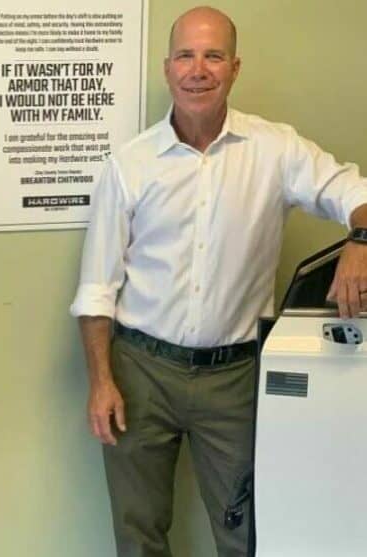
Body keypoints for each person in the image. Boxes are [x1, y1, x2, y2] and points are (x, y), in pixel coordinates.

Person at [70, 6, 367, 557]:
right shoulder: (130, 165)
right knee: (138, 535)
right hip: (140, 374)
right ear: (167, 68)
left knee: (246, 534)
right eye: (185, 55)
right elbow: (96, 289)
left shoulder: (276, 150)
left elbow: (355, 192)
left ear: (235, 67)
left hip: (235, 378)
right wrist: (101, 381)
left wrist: (361, 242)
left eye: (212, 56)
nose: (198, 69)